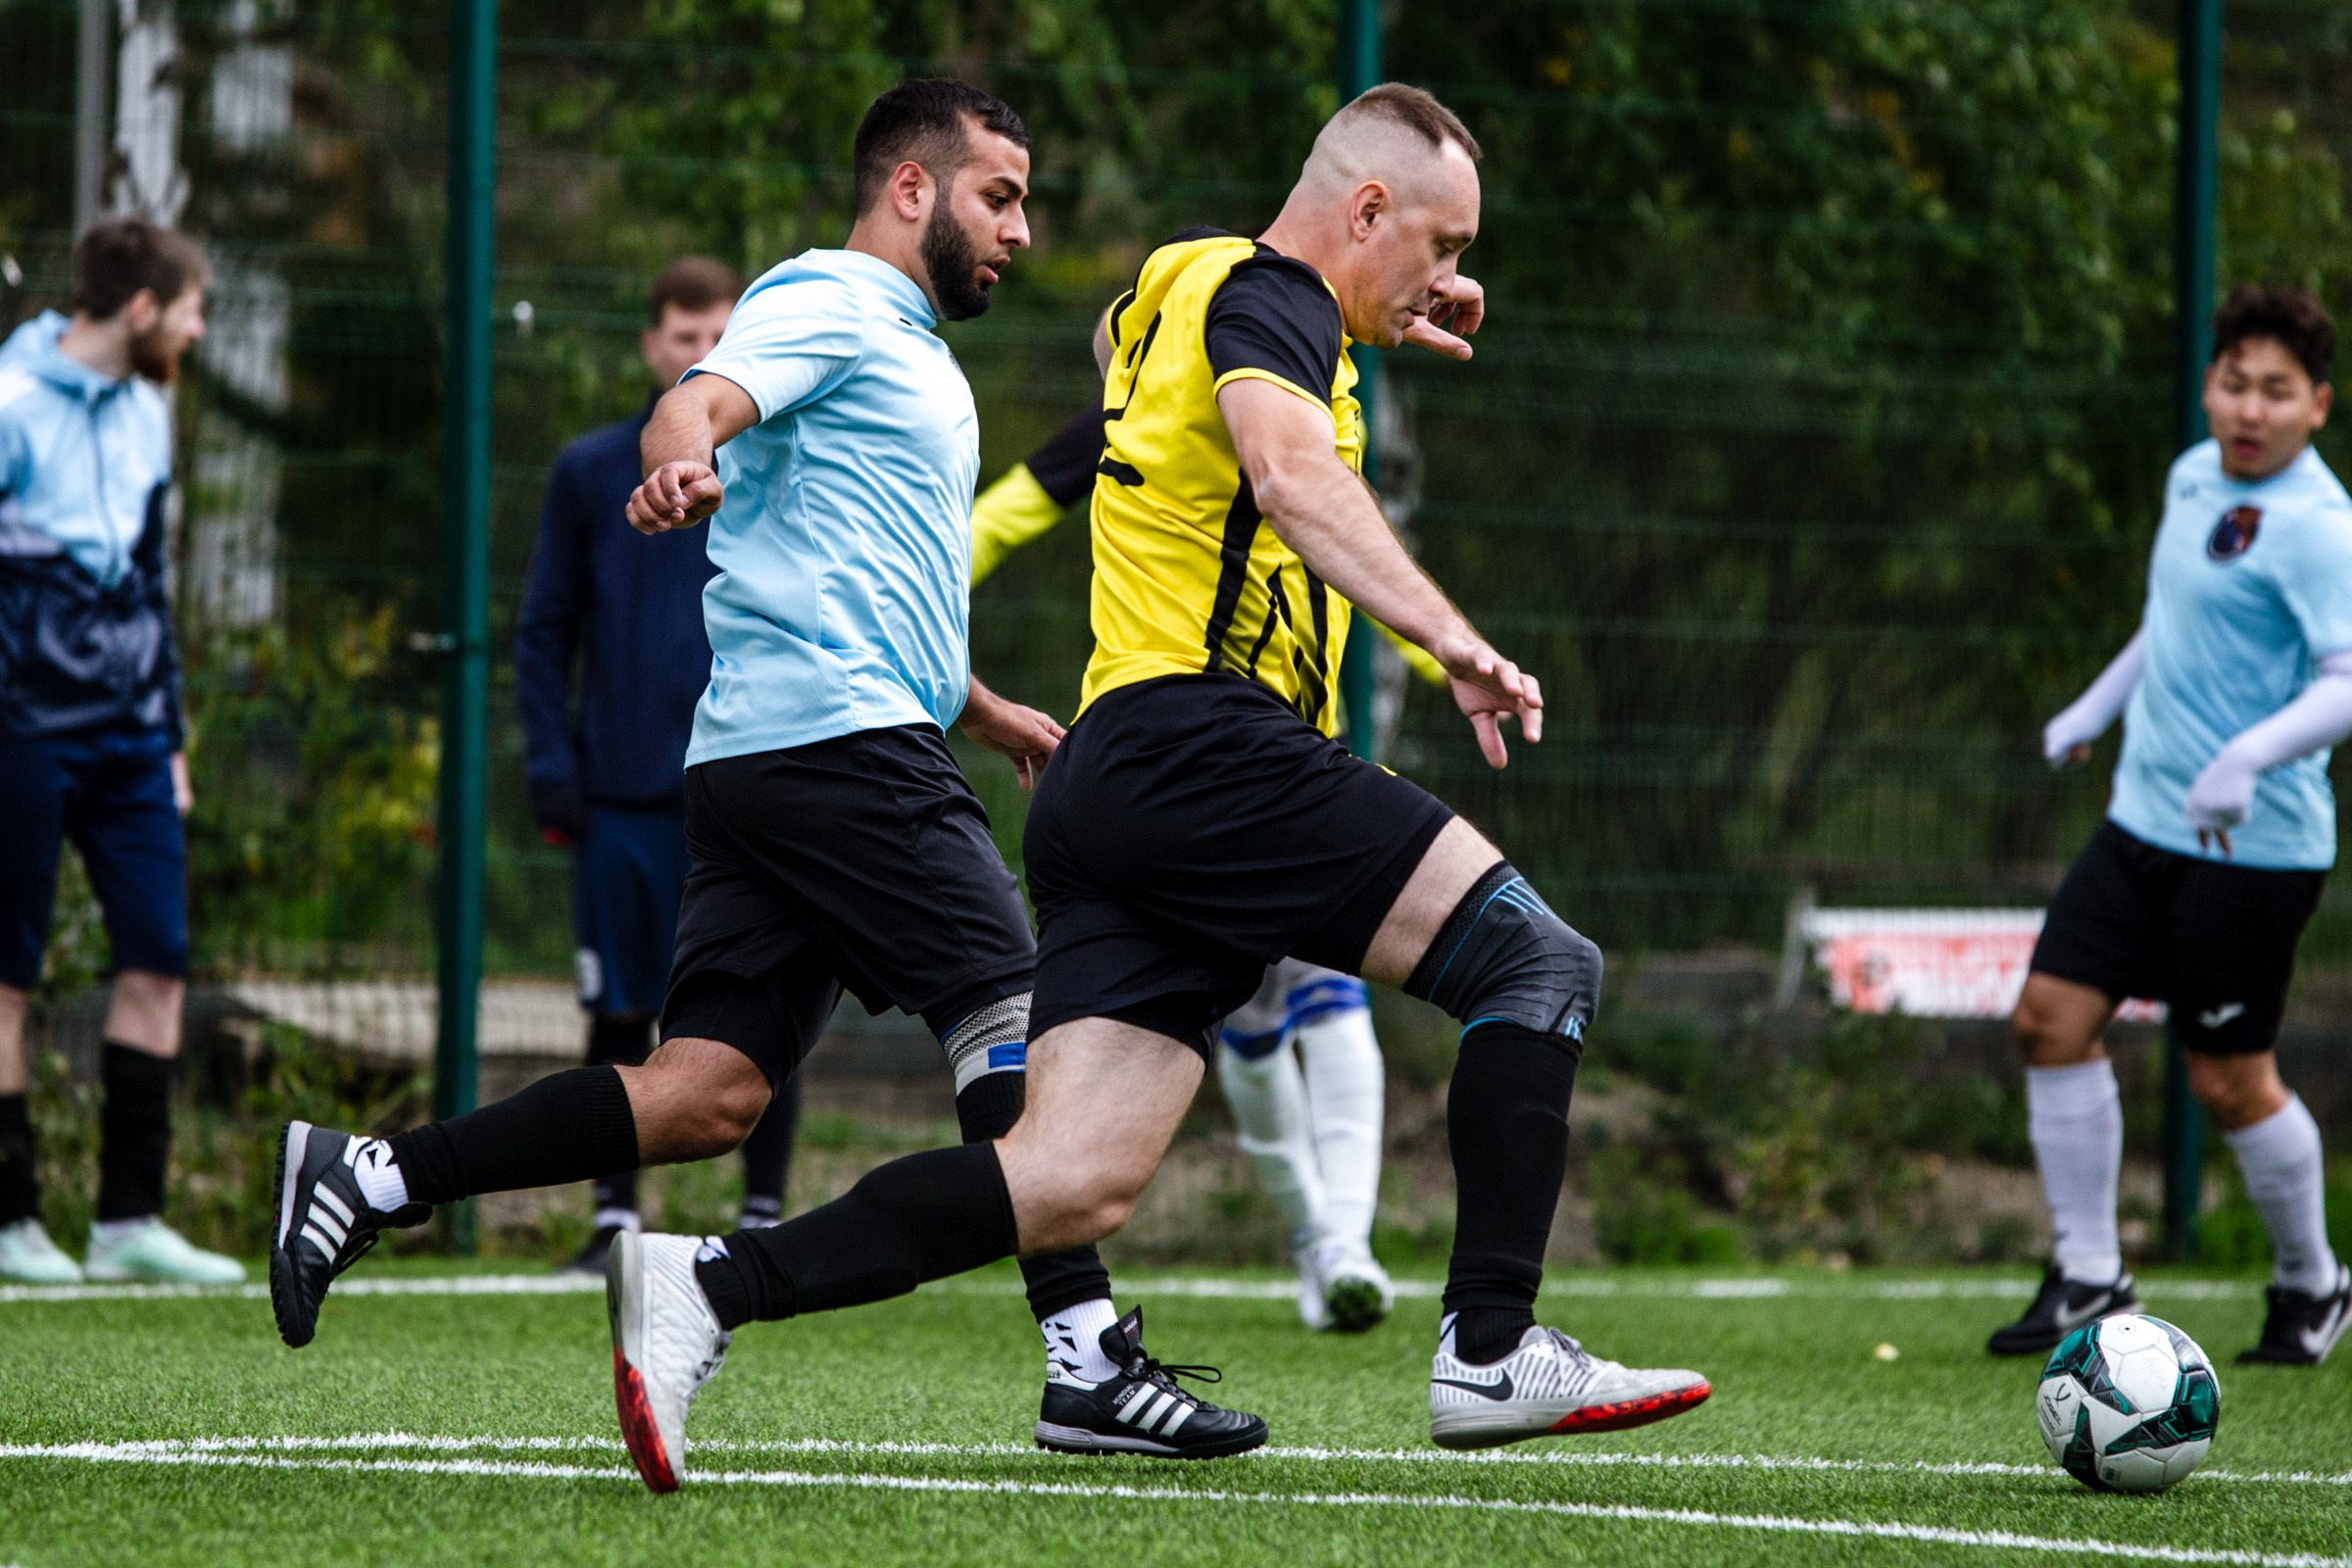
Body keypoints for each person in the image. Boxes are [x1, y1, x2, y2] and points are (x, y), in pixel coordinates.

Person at [593, 82, 1712, 1491]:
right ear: (1363, 211)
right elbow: (1290, 475)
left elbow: (1233, 398)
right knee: (1535, 963)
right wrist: (1454, 640)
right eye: (1439, 241)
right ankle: (1491, 1345)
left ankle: (709, 1288)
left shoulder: (1198, 289)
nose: (1452, 274)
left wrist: (1385, 310)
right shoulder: (1271, 299)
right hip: (1210, 749)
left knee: (1063, 1181)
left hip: (1117, 782)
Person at [268, 78, 1263, 1477]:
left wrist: (980, 708)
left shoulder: (910, 346)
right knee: (1018, 1024)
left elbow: (850, 564)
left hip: (775, 755)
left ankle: (371, 1175)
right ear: (910, 189)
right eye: (1000, 197)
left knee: (701, 1096)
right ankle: (1085, 1359)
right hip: (839, 753)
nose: (1021, 231)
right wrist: (680, 467)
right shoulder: (831, 297)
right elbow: (699, 403)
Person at [972, 411, 1398, 1331]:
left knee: (1331, 990)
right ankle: (1316, 1234)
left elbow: (1358, 549)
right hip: (1180, 767)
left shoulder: (1300, 416)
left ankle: (1344, 1242)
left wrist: (1447, 652)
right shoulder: (1131, 420)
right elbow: (1008, 510)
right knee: (1246, 1019)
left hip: (1299, 749)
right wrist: (922, 595)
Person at [1992, 284, 2350, 1367]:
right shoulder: (2192, 475)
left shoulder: (2321, 529)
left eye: (2276, 393)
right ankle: (2092, 1274)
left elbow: (2346, 678)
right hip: (2141, 819)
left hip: (2256, 849)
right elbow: (2174, 617)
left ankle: (2315, 1284)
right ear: (2210, 386)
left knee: (2227, 1077)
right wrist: (2094, 708)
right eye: (2234, 383)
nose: (2250, 409)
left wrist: (2247, 756)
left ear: (2317, 408)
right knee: (2048, 1019)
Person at [514, 256, 802, 1273]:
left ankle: (763, 1212)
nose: (698, 355)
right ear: (653, 345)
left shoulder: (771, 461)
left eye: (717, 338)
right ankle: (613, 1219)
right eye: (682, 337)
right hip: (624, 798)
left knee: (765, 997)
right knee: (621, 1008)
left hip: (746, 784)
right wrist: (555, 766)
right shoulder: (593, 472)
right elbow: (545, 631)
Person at [0, 217, 241, 1286]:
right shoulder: (9, 402)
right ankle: (10, 1220)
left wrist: (172, 738)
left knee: (158, 957)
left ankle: (127, 1221)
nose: (195, 329)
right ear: (142, 309)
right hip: (20, 728)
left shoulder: (150, 410)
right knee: (8, 976)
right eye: (189, 308)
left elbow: (147, 579)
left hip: (132, 736)